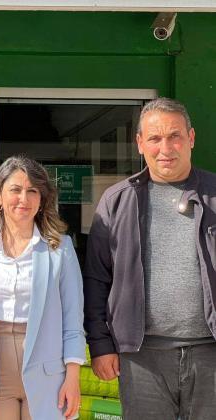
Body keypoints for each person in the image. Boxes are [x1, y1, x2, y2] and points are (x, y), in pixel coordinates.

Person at [84, 97, 216, 419]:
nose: (165, 148)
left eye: (174, 136)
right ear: (140, 143)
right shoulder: (117, 201)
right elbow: (97, 280)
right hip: (142, 358)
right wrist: (100, 345)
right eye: (155, 138)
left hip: (210, 354)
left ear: (191, 138)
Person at [0, 156, 85, 420]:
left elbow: (73, 319)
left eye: (32, 191)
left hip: (49, 377)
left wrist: (73, 376)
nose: (24, 198)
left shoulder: (60, 249)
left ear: (42, 199)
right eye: (15, 190)